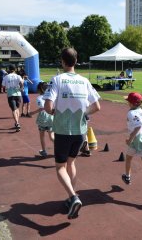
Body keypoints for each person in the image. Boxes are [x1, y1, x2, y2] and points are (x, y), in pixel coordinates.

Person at [44, 48, 101, 219]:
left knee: (60, 166)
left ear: (62, 61)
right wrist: (84, 113)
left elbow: (47, 106)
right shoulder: (84, 81)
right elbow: (97, 107)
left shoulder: (57, 80)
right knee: (71, 163)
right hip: (80, 131)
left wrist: (54, 112)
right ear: (76, 61)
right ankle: (72, 196)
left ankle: (73, 197)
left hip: (62, 131)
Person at [34, 82, 54, 157]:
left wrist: (32, 113)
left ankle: (44, 151)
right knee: (51, 135)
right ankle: (59, 148)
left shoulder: (39, 98)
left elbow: (41, 108)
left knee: (42, 135)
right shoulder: (51, 97)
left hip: (43, 117)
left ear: (40, 90)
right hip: (51, 116)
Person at [2, 64, 24, 132]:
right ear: (14, 69)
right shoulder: (18, 76)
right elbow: (22, 83)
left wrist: (5, 89)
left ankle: (17, 123)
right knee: (17, 108)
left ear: (9, 69)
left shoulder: (6, 77)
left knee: (13, 109)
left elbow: (3, 86)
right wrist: (21, 88)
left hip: (10, 94)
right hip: (18, 94)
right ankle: (17, 122)